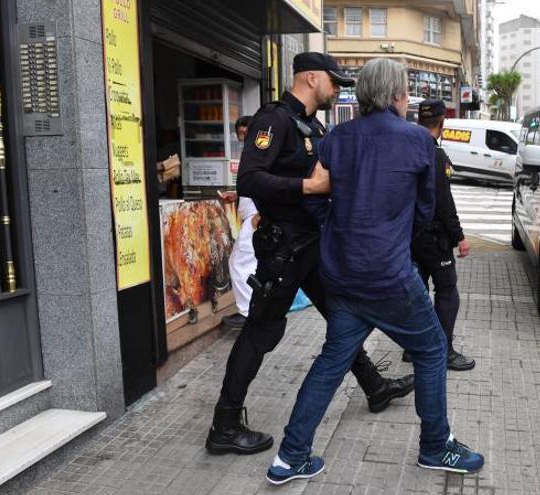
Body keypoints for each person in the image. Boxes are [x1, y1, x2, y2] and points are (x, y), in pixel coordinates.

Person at [266, 58, 484, 485]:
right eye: (405, 92)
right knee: (433, 349)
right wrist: (394, 233)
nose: (407, 99)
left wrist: (336, 227)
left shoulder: (338, 138)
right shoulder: (419, 142)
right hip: (389, 275)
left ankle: (290, 457)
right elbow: (425, 209)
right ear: (397, 95)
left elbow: (313, 194)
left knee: (332, 359)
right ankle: (436, 446)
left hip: (342, 274)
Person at [206, 53, 415, 457]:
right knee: (261, 332)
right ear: (312, 78)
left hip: (312, 246)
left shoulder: (313, 124)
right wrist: (307, 187)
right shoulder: (274, 120)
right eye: (333, 82)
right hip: (284, 250)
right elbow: (249, 179)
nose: (337, 89)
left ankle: (374, 385)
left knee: (344, 316)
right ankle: (224, 425)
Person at [403, 99, 474, 371]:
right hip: (434, 238)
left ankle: (413, 348)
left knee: (417, 291)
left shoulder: (407, 150)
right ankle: (443, 351)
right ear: (442, 124)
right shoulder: (436, 155)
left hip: (410, 235)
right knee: (447, 290)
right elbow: (444, 203)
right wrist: (459, 236)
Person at [221, 115, 259, 330]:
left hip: (256, 218)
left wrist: (260, 216)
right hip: (252, 216)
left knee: (239, 263)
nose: (244, 137)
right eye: (241, 134)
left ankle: (248, 314)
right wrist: (237, 196)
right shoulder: (250, 153)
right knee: (247, 264)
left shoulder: (260, 153)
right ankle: (253, 310)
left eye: (247, 133)